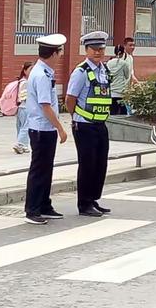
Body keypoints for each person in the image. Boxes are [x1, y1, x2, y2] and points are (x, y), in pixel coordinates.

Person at [66, 31, 113, 217]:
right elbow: (70, 99)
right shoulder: (81, 72)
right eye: (94, 49)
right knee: (87, 164)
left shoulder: (104, 70)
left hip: (100, 124)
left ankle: (93, 199)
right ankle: (84, 204)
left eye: (101, 49)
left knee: (100, 164)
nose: (98, 52)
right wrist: (76, 117)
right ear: (86, 50)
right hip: (84, 124)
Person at [24, 34, 68, 225]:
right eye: (60, 51)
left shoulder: (44, 71)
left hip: (45, 128)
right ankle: (33, 209)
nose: (61, 55)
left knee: (46, 169)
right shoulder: (41, 74)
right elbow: (45, 105)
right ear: (54, 53)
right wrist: (61, 128)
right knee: (39, 170)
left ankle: (44, 205)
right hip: (42, 129)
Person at [13, 62, 33, 154]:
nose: (32, 71)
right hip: (25, 107)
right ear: (24, 71)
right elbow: (24, 97)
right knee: (26, 127)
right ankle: (19, 144)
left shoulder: (21, 81)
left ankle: (24, 145)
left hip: (21, 108)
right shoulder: (25, 83)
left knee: (21, 127)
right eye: (30, 69)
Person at [107, 44, 131, 115]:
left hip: (111, 92)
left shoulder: (109, 63)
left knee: (112, 113)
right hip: (121, 92)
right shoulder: (124, 64)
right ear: (123, 53)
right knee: (123, 114)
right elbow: (127, 76)